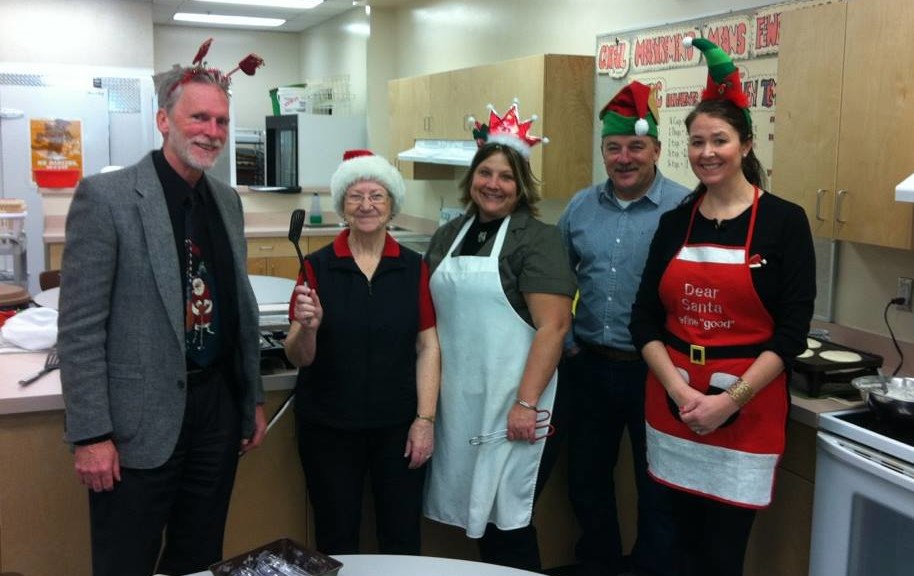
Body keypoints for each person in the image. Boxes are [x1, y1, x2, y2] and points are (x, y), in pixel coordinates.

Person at [57, 39, 267, 576]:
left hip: (216, 414)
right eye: (199, 117)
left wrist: (251, 400)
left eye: (220, 121)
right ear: (162, 120)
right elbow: (80, 329)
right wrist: (90, 434)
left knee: (198, 557)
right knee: (125, 560)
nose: (212, 132)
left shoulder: (227, 201)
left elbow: (236, 308)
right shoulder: (107, 199)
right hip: (136, 425)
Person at [629, 38, 816, 576]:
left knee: (720, 555)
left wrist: (730, 399)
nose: (706, 152)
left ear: (746, 144)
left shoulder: (784, 222)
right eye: (695, 142)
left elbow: (791, 332)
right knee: (669, 544)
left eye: (720, 140)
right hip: (674, 401)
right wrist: (678, 389)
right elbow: (644, 319)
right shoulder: (674, 222)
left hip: (746, 409)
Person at [424, 101, 577, 572]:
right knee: (481, 514)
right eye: (485, 173)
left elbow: (554, 326)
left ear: (521, 185)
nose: (493, 184)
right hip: (464, 401)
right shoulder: (448, 233)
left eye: (506, 177)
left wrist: (526, 404)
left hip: (520, 399)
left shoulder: (538, 238)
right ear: (471, 178)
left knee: (508, 519)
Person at [557, 81, 689, 576]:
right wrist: (569, 344)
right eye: (613, 148)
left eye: (636, 146)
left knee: (658, 486)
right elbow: (555, 281)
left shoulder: (685, 209)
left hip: (660, 374)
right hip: (589, 366)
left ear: (656, 148)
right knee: (586, 482)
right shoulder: (580, 208)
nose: (624, 157)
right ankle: (601, 565)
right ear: (603, 153)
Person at [284, 149, 440, 555]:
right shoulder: (316, 266)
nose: (366, 205)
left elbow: (427, 346)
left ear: (392, 206)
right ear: (342, 205)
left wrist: (425, 420)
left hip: (398, 428)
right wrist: (309, 328)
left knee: (402, 536)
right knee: (336, 538)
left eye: (377, 195)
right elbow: (298, 356)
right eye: (355, 196)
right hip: (329, 428)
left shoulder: (413, 267)